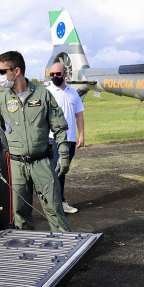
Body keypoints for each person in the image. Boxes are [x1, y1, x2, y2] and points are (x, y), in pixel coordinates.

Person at [0, 50, 71, 231]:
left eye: (2, 71)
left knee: (54, 210)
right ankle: (26, 254)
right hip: (16, 167)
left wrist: (64, 155)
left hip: (42, 163)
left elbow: (59, 128)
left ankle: (67, 250)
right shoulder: (1, 102)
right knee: (20, 214)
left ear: (16, 71)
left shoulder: (43, 95)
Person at [46, 62, 85, 214]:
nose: (55, 77)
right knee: (57, 170)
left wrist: (81, 135)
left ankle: (57, 201)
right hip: (53, 140)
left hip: (70, 139)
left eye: (57, 74)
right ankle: (57, 203)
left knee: (63, 171)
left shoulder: (73, 93)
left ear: (65, 74)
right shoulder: (47, 92)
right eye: (52, 74)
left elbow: (79, 114)